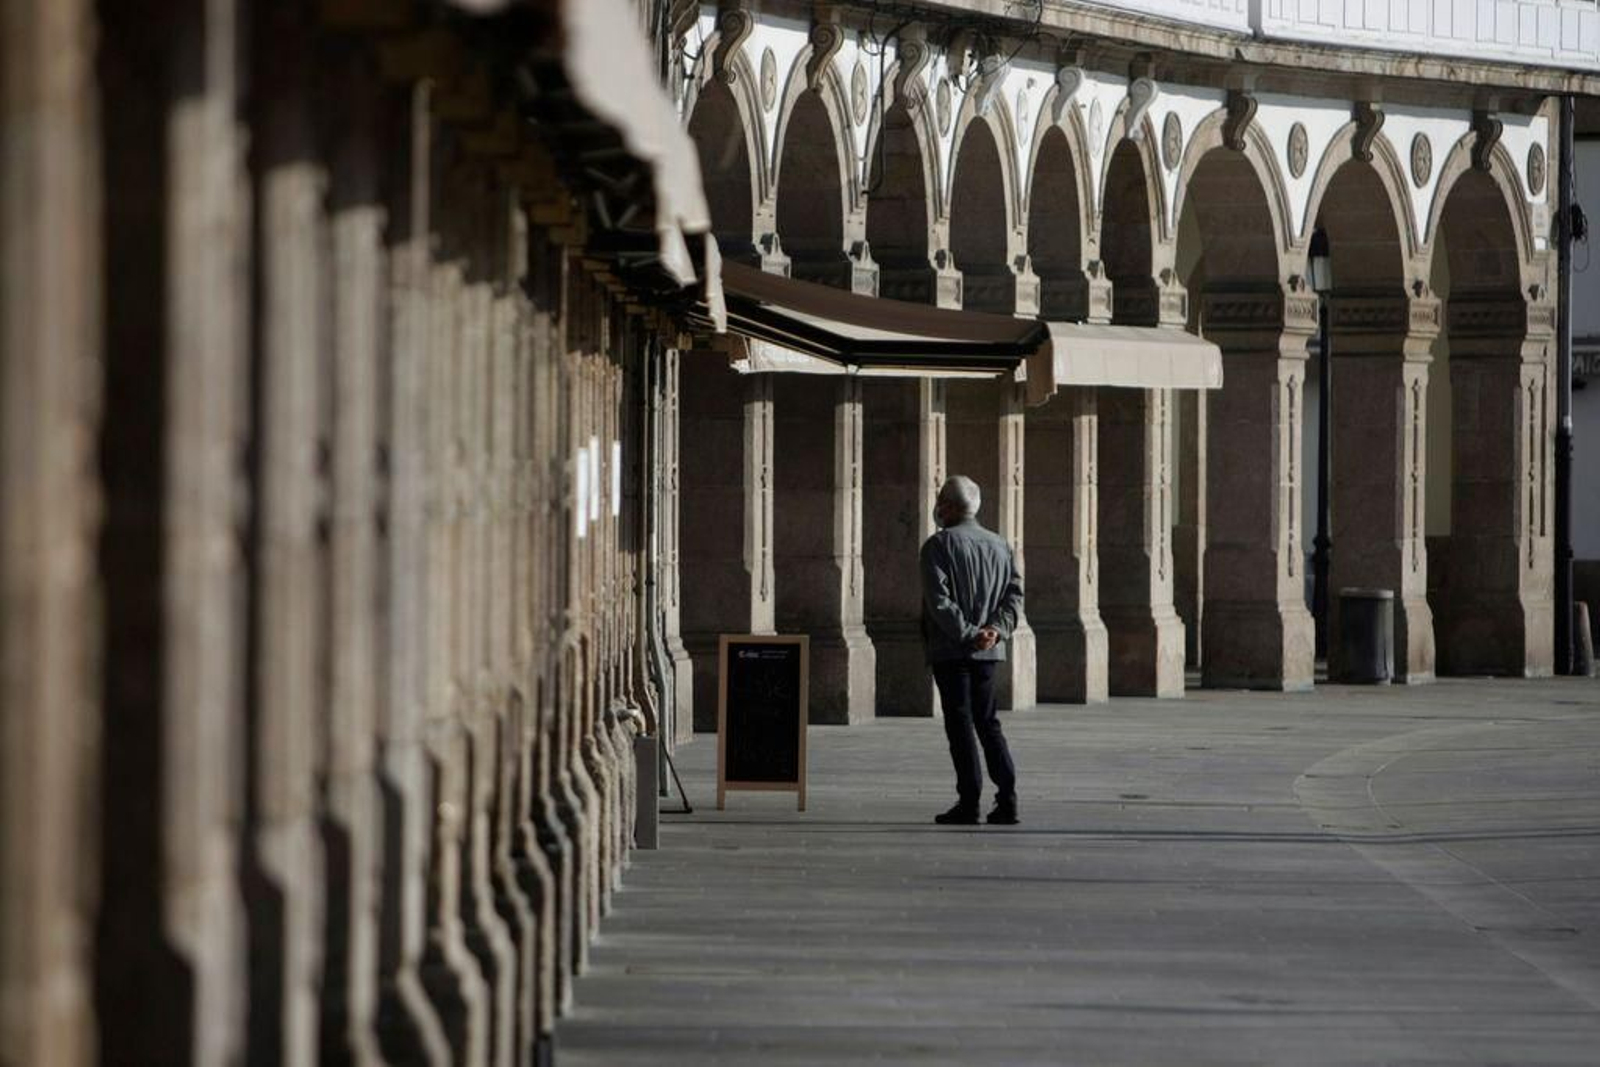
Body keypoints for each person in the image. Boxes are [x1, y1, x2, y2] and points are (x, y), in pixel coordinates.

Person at [920, 475, 1022, 826]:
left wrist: (969, 634)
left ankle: (969, 801)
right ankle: (1007, 797)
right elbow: (1014, 598)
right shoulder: (1001, 545)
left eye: (940, 501)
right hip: (988, 652)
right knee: (988, 722)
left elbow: (939, 601)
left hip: (952, 651)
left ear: (947, 506)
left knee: (960, 725)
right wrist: (995, 631)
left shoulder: (938, 546)